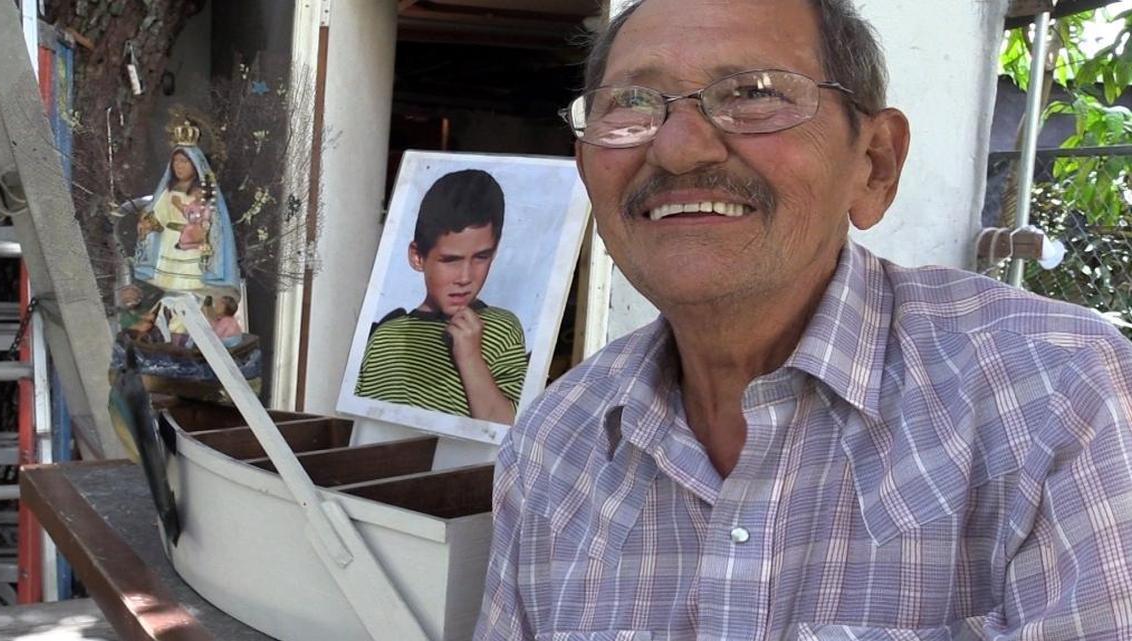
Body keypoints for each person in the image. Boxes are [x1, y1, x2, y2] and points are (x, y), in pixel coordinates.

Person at [475, 1, 1132, 639]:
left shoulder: (1057, 397)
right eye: (632, 104)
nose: (678, 149)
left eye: (752, 92)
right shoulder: (554, 446)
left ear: (874, 165)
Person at [355, 169, 528, 425]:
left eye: (481, 257)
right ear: (417, 256)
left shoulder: (500, 328)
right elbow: (361, 423)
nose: (465, 277)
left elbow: (509, 431)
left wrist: (470, 356)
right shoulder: (384, 336)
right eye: (450, 260)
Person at [133, 128, 240, 295]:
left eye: (184, 162)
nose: (179, 166)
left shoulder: (202, 194)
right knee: (171, 291)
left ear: (195, 164)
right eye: (176, 161)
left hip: (192, 248)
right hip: (168, 247)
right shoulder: (168, 191)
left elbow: (210, 221)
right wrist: (149, 224)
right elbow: (159, 216)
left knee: (191, 290)